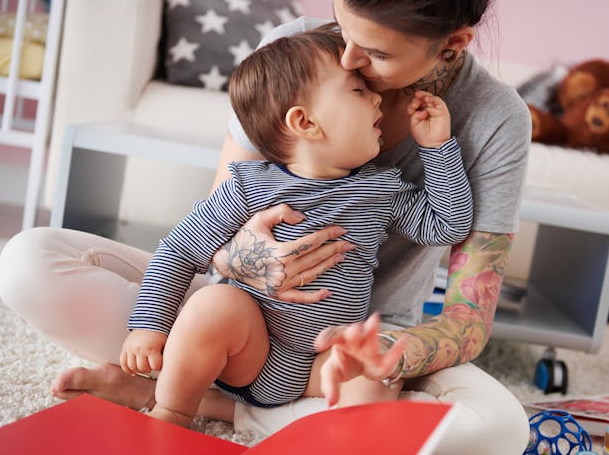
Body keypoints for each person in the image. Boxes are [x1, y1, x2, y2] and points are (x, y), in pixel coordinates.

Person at [0, 0, 532, 452]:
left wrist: (439, 152)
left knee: (500, 428)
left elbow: (448, 243)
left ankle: (207, 404)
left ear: (451, 44)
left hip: (354, 342)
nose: (346, 60)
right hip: (240, 333)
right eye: (341, 26)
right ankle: (178, 402)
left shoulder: (454, 142)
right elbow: (192, 246)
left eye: (373, 52)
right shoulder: (295, 62)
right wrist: (203, 293)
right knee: (29, 263)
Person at [129, 26, 473, 428]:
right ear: (305, 122)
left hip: (324, 362)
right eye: (358, 91)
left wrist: (438, 149)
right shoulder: (249, 185)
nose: (378, 96)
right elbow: (179, 250)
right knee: (213, 305)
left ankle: (261, 420)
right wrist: (147, 328)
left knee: (376, 369)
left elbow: (447, 226)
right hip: (251, 353)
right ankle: (172, 411)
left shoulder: (380, 188)